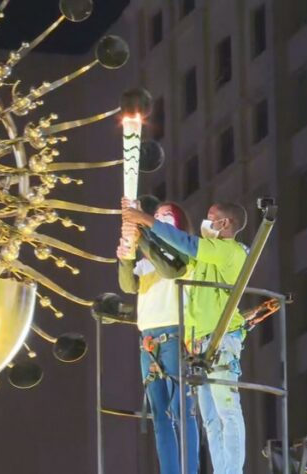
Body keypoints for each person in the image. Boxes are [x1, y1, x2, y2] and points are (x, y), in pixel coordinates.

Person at [123, 200, 249, 474]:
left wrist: (144, 220)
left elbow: (186, 245)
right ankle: (221, 470)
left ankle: (232, 472)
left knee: (227, 410)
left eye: (211, 217)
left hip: (223, 337)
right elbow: (169, 256)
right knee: (210, 417)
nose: (206, 222)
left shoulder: (228, 251)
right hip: (200, 342)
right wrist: (135, 230)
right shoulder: (205, 256)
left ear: (225, 224)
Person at [118, 200, 200, 474]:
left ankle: (189, 469)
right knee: (160, 415)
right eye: (156, 216)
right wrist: (126, 256)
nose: (159, 218)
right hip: (149, 341)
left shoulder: (184, 253)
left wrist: (141, 236)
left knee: (182, 410)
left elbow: (170, 269)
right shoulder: (147, 262)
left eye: (166, 216)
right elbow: (128, 284)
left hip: (176, 335)